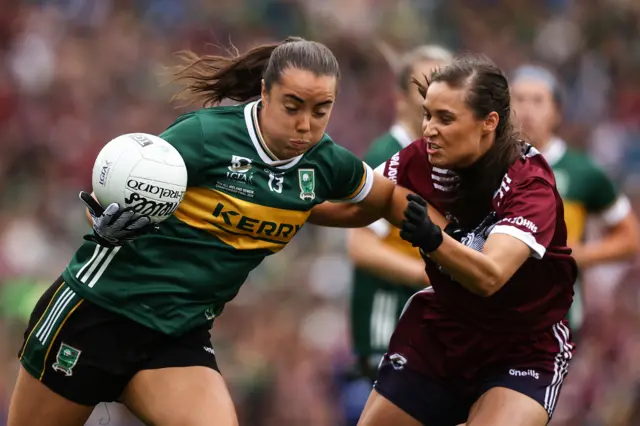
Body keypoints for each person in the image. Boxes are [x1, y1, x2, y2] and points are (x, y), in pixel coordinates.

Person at [8, 37, 423, 426]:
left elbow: (384, 200)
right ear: (265, 92)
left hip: (177, 334)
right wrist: (104, 223)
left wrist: (455, 251)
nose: (305, 125)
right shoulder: (206, 136)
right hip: (97, 314)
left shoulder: (326, 162)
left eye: (321, 110)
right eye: (293, 106)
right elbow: (121, 189)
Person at [351, 55, 578, 426]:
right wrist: (286, 190)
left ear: (489, 122)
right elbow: (350, 204)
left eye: (445, 119)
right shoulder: (420, 157)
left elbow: (489, 276)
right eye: (427, 115)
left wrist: (432, 239)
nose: (428, 130)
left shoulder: (529, 184)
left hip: (522, 347)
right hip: (444, 333)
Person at [346, 44, 451, 384]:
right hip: (389, 320)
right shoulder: (388, 155)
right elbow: (361, 247)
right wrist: (431, 274)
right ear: (401, 97)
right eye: (424, 89)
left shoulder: (450, 156)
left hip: (430, 324)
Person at [510, 64, 639, 336]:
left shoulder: (583, 172)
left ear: (556, 113)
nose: (526, 110)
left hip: (556, 320)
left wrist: (580, 254)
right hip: (495, 317)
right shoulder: (487, 168)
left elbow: (630, 238)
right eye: (518, 99)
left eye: (537, 100)